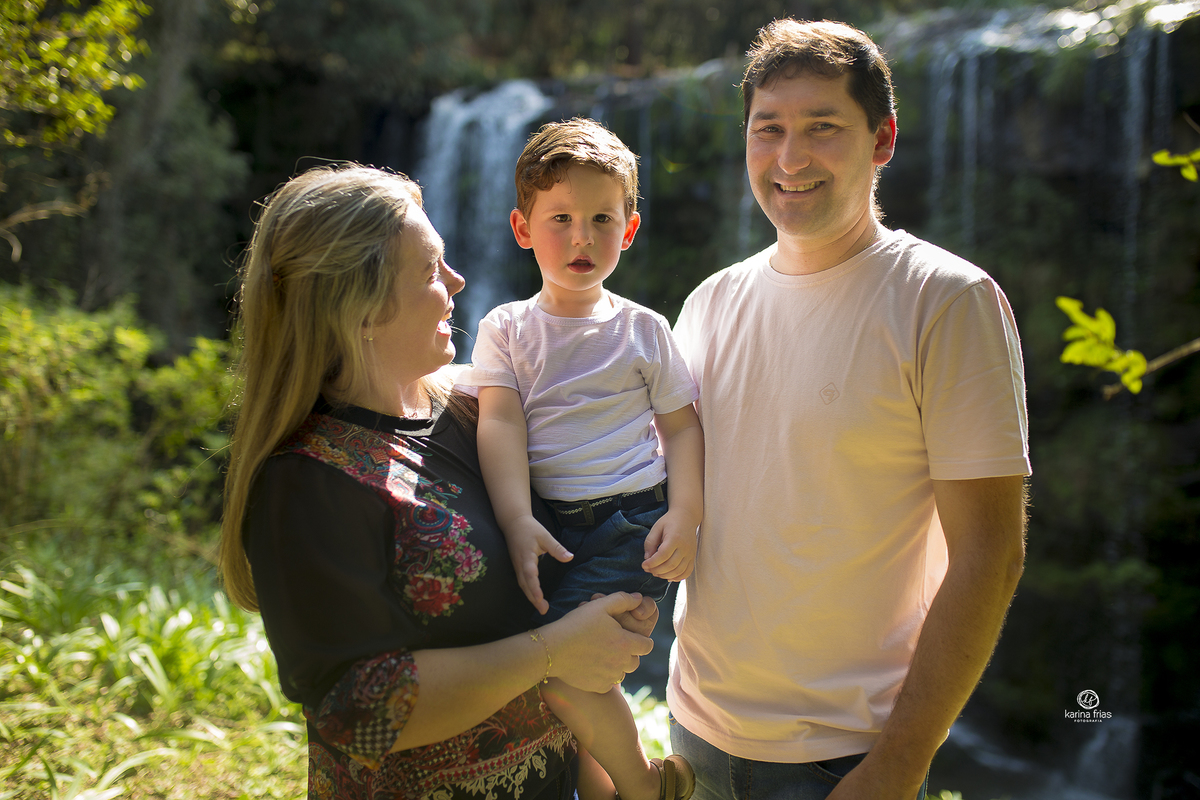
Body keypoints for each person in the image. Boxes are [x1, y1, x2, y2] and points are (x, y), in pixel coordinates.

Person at [667, 19, 1031, 800]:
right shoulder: (706, 305)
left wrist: (899, 762)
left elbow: (990, 556)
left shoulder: (947, 302)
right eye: (769, 131)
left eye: (822, 128)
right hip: (693, 736)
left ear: (883, 139)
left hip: (844, 760)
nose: (790, 159)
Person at [217, 163, 662, 800]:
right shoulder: (307, 482)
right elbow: (357, 710)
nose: (457, 282)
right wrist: (554, 653)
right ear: (361, 308)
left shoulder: (481, 413)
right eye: (429, 269)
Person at [458, 118, 703, 800]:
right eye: (560, 218)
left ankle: (644, 789)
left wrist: (686, 514)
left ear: (628, 230)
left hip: (629, 525)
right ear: (522, 227)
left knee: (566, 675)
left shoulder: (643, 329)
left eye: (601, 219)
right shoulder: (505, 327)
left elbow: (682, 430)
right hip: (546, 525)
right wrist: (514, 519)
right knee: (551, 679)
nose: (581, 238)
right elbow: (501, 422)